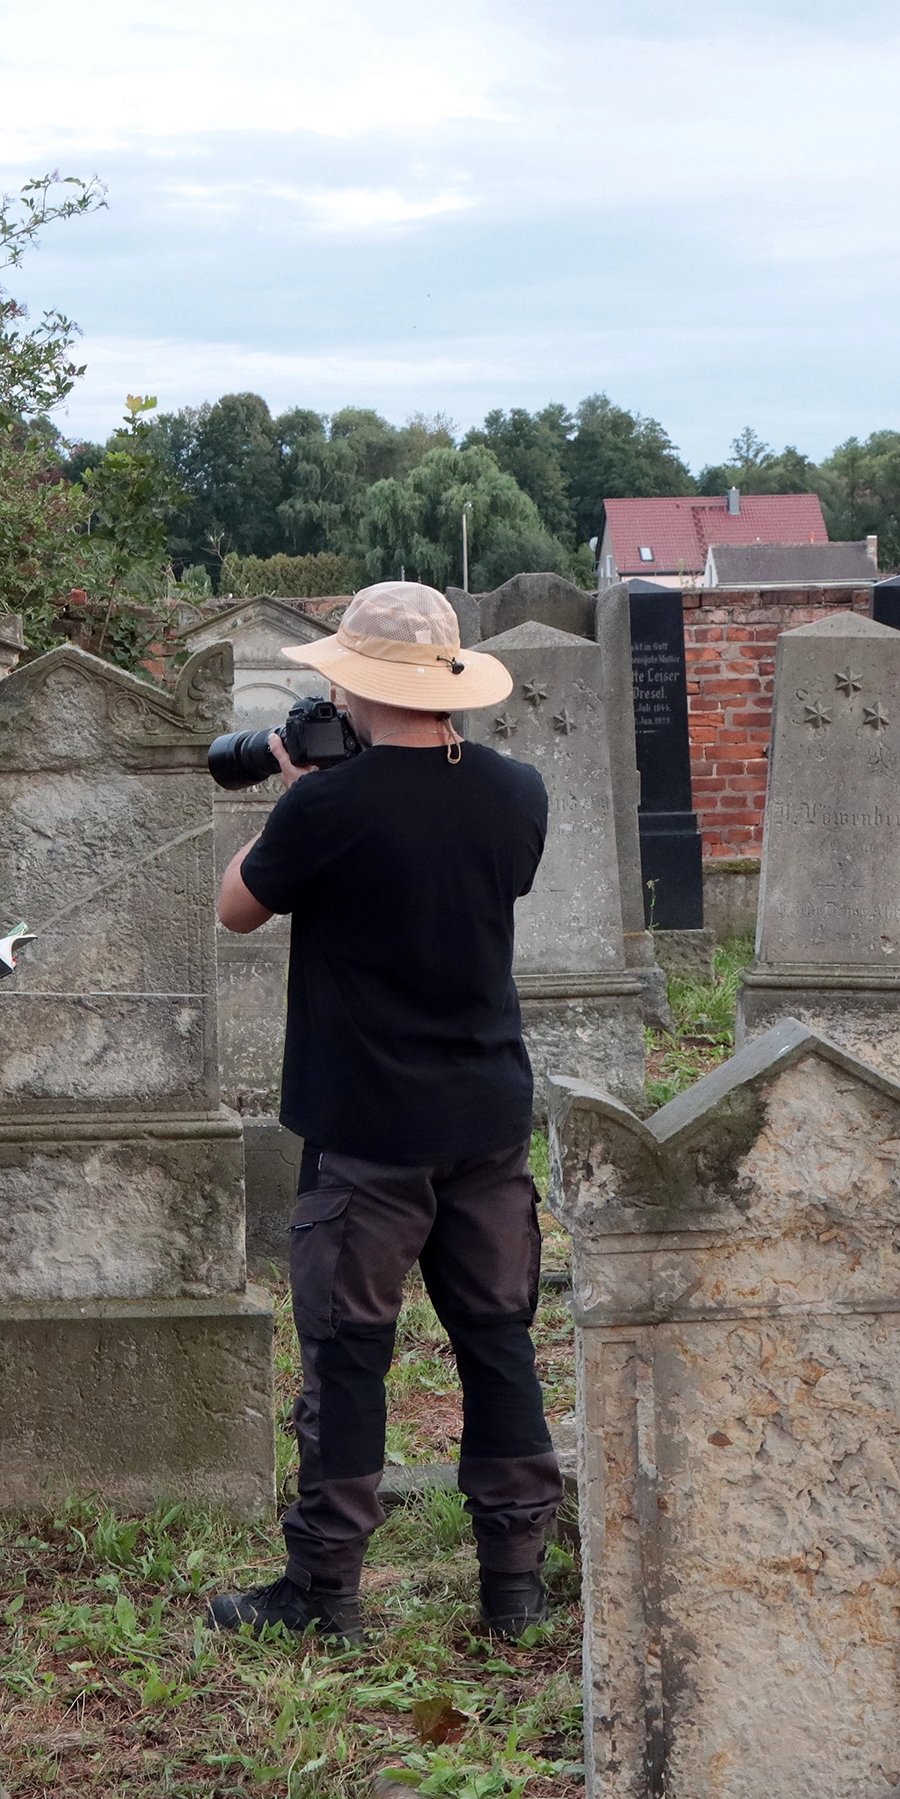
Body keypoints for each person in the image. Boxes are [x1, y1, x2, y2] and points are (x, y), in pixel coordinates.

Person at [203, 580, 561, 1646]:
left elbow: (235, 907)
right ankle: (514, 1578)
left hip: (364, 1127)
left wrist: (296, 785)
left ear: (355, 684)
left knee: (351, 1352)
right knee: (499, 1340)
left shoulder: (325, 805)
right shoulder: (519, 791)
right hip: (487, 1114)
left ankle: (325, 1586)